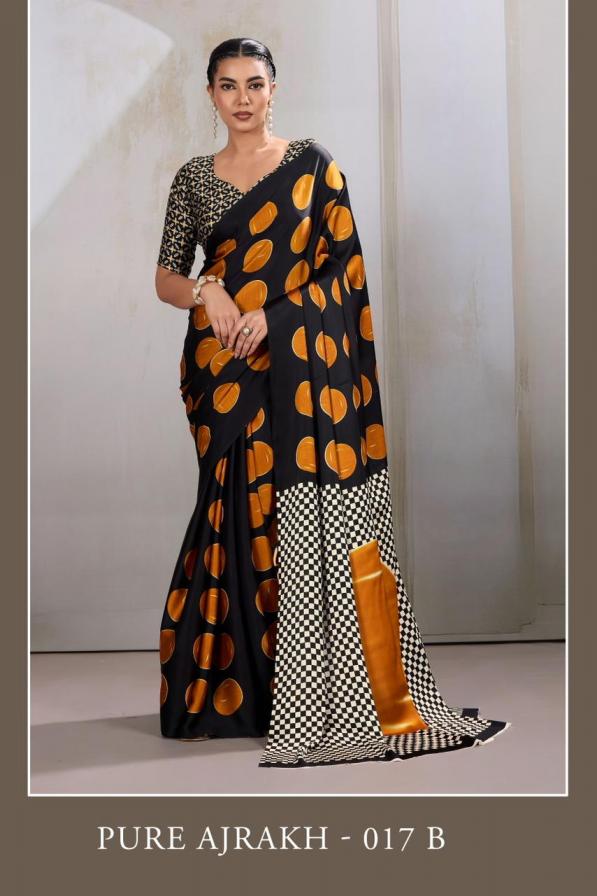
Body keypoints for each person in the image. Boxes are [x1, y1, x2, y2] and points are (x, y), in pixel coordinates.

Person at [154, 37, 510, 769]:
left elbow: (344, 276)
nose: (243, 98)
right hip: (223, 370)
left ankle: (313, 690)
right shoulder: (193, 178)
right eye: (229, 85)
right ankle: (234, 694)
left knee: (297, 518)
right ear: (211, 94)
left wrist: (275, 317)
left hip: (297, 369)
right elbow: (165, 277)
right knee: (235, 511)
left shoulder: (313, 169)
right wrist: (208, 291)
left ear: (274, 89)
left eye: (255, 83)